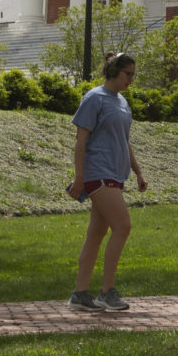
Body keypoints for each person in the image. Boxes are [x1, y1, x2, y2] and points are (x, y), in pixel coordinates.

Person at [67, 51, 147, 312]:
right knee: (122, 226)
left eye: (133, 75)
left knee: (96, 234)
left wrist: (137, 172)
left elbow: (124, 140)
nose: (130, 80)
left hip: (116, 173)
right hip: (97, 173)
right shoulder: (94, 98)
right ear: (113, 71)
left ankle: (80, 295)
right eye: (127, 74)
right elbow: (81, 140)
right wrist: (79, 178)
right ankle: (106, 292)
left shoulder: (122, 102)